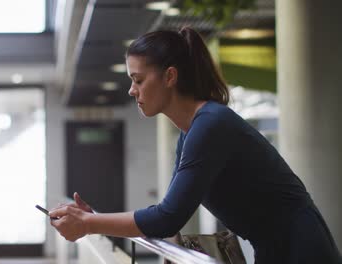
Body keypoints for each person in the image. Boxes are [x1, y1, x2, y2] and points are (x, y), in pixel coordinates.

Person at [49, 27, 342, 263]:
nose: (131, 89)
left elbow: (167, 218)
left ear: (170, 76)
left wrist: (88, 223)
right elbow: (168, 211)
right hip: (274, 246)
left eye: (138, 79)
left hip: (300, 247)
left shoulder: (210, 124)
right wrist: (94, 218)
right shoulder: (190, 133)